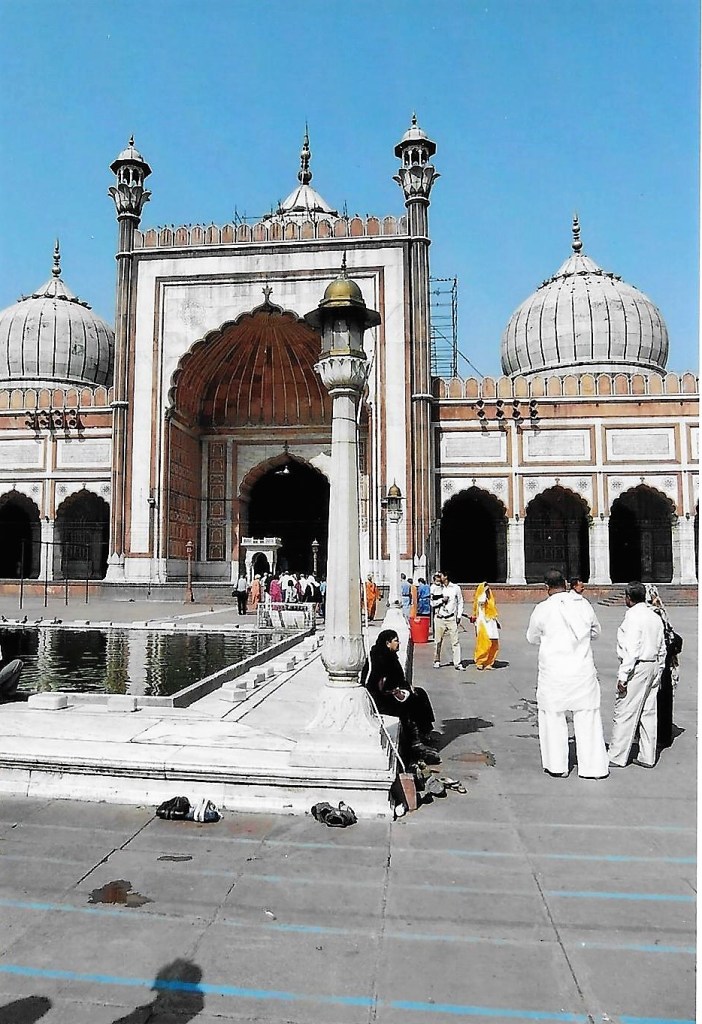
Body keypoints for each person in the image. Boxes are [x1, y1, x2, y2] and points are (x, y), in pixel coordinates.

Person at [526, 569, 609, 779]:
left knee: (553, 717)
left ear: (546, 587)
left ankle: (557, 766)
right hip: (582, 670)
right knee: (587, 716)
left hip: (553, 672)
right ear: (565, 583)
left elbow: (532, 637)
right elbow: (596, 632)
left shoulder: (542, 609)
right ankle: (593, 768)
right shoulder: (583, 605)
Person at [609, 581, 666, 769]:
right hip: (654, 664)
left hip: (638, 666)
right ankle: (647, 756)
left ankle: (617, 756)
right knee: (648, 712)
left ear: (628, 597)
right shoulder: (654, 616)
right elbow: (662, 647)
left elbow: (631, 649)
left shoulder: (633, 617)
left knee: (625, 710)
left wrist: (623, 676)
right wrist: (660, 669)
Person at [362, 629, 440, 764]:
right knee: (409, 705)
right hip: (382, 699)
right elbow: (377, 683)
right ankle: (415, 743)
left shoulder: (390, 656)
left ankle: (424, 732)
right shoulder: (380, 658)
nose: (398, 643)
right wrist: (397, 691)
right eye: (396, 640)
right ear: (387, 643)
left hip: (394, 692)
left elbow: (398, 678)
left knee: (419, 694)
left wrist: (407, 688)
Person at [646, 584, 683, 750]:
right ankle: (664, 736)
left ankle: (652, 736)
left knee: (652, 701)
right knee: (665, 700)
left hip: (654, 662)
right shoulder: (663, 613)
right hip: (667, 663)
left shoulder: (650, 615)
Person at [431, 571, 464, 670]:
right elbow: (432, 603)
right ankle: (437, 660)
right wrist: (442, 600)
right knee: (438, 641)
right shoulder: (435, 588)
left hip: (451, 618)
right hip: (439, 617)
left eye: (440, 576)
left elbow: (460, 602)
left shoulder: (455, 588)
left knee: (455, 641)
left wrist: (459, 615)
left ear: (445, 577)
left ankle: (457, 662)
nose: (438, 578)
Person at [471, 582, 500, 670]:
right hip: (483, 622)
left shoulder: (490, 600)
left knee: (493, 642)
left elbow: (493, 612)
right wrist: (483, 591)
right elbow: (481, 601)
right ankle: (480, 662)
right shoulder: (480, 599)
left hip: (491, 623)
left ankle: (489, 662)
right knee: (483, 643)